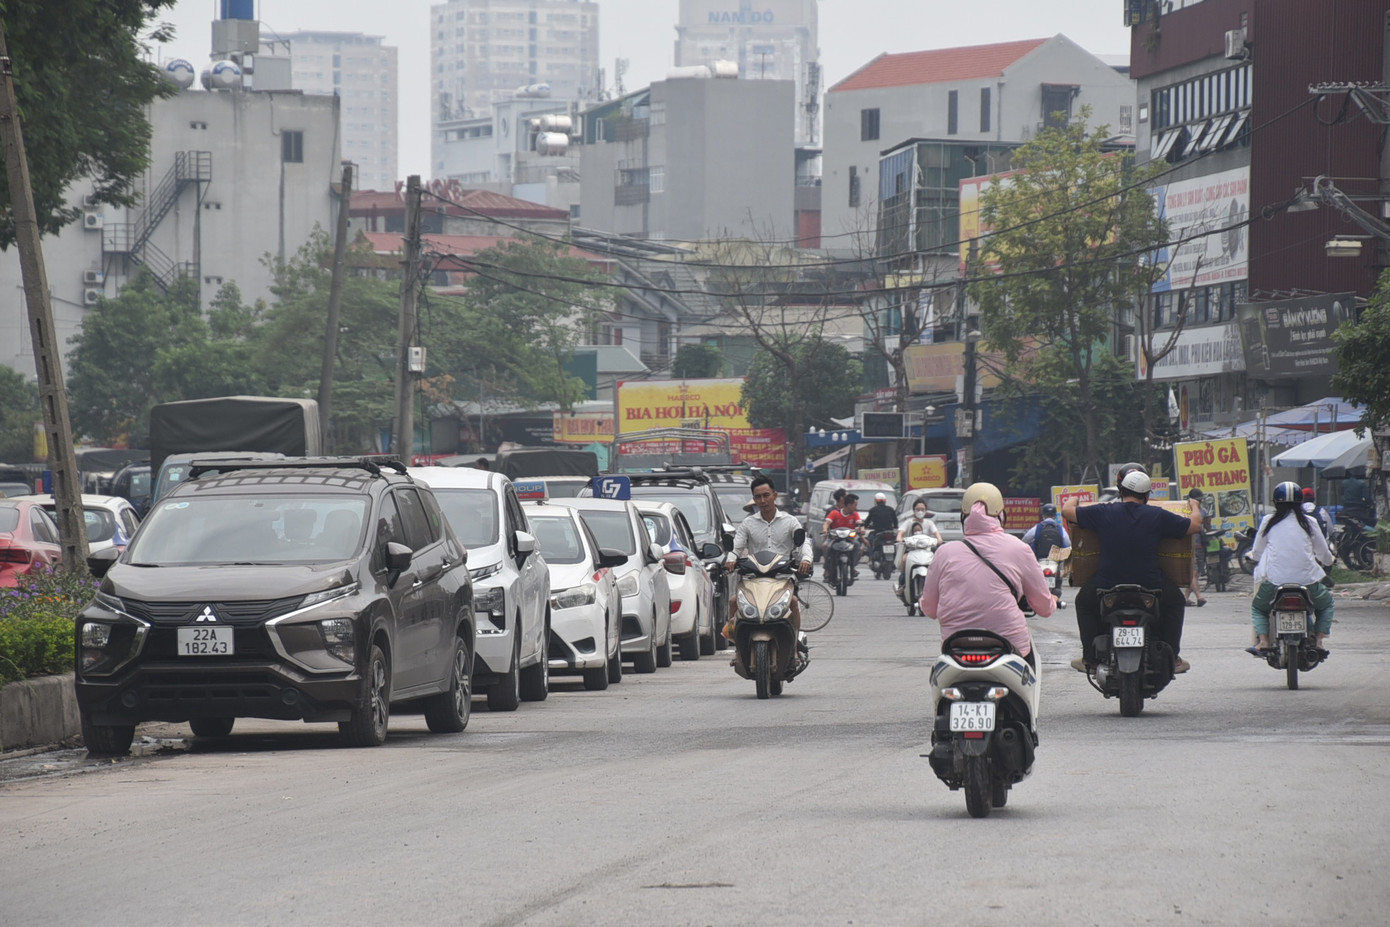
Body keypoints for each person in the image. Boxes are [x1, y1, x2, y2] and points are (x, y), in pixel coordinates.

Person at [1062, 464, 1203, 674]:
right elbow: (1195, 525)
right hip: (1150, 584)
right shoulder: (1157, 515)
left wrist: (1075, 499)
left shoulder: (1103, 512)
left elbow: (1066, 511)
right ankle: (1172, 657)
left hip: (1107, 583)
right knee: (1176, 602)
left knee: (1083, 602)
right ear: (1146, 495)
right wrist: (1194, 505)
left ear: (1121, 491)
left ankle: (1090, 659)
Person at [918, 482, 1057, 665]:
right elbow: (1044, 608)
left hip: (955, 644)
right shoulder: (1018, 548)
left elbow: (929, 608)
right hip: (1009, 643)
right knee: (1029, 672)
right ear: (1002, 516)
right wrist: (1052, 601)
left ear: (963, 516)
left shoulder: (944, 552)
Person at [726, 475, 813, 651]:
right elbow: (736, 547)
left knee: (793, 602)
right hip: (753, 578)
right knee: (734, 602)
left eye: (766, 495)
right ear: (754, 499)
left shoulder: (790, 521)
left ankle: (794, 646)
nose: (763, 501)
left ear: (775, 495)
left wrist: (806, 559)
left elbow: (804, 543)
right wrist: (731, 559)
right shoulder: (748, 523)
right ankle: (738, 649)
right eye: (758, 497)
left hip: (782, 578)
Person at [1247, 481, 1335, 654]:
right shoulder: (1309, 522)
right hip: (1307, 581)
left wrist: (1252, 558)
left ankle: (1263, 641)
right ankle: (1318, 642)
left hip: (1275, 582)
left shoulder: (1268, 521)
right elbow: (1323, 554)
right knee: (1326, 605)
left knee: (1259, 608)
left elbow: (1256, 553)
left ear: (1275, 502)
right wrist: (1329, 561)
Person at [1022, 503, 1071, 607]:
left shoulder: (1038, 528)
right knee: (1058, 580)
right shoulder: (1060, 529)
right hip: (1055, 560)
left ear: (1043, 514)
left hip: (1039, 559)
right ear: (1055, 515)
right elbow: (1067, 544)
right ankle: (1056, 598)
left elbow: (1025, 540)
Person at [823, 492, 865, 579]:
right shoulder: (834, 513)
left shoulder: (855, 514)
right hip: (834, 538)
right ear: (849, 505)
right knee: (825, 546)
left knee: (860, 548)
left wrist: (862, 529)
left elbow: (860, 523)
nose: (856, 507)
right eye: (855, 505)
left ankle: (852, 567)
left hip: (849, 539)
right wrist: (825, 530)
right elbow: (827, 523)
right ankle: (827, 569)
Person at [1183, 488, 1208, 608]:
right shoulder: (1185, 510)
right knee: (1193, 572)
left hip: (1198, 545)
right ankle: (1199, 597)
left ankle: (1185, 598)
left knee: (1195, 573)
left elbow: (1208, 525)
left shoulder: (1202, 511)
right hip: (1189, 546)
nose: (1200, 502)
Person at [862, 491, 899, 569]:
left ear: (876, 501)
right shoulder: (891, 509)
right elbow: (895, 522)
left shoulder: (873, 510)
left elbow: (867, 522)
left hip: (878, 533)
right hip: (890, 533)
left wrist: (865, 526)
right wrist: (895, 527)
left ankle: (871, 559)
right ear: (885, 500)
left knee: (870, 542)